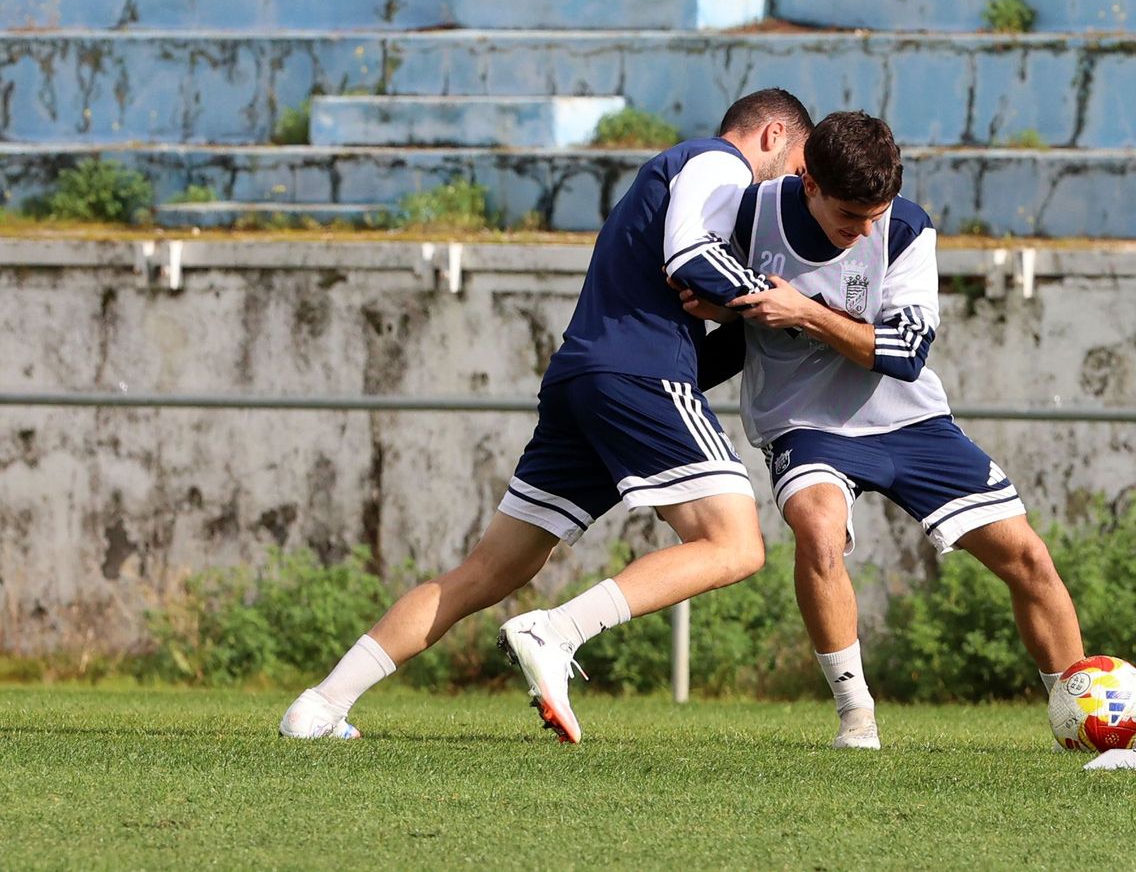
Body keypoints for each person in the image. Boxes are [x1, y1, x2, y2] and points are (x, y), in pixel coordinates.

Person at [279, 89, 814, 743]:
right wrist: (775, 299)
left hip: (585, 378)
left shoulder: (677, 174)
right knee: (735, 545)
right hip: (637, 373)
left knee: (490, 571)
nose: (797, 185)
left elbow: (689, 284)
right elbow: (688, 258)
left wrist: (738, 309)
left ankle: (320, 705)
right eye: (800, 166)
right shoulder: (715, 163)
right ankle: (554, 631)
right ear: (775, 134)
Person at [688, 111, 1086, 750]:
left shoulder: (906, 227)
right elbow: (697, 290)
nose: (865, 231)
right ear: (809, 182)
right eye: (852, 216)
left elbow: (904, 351)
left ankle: (1087, 717)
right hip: (804, 421)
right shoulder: (748, 214)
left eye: (876, 214)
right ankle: (857, 717)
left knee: (1028, 556)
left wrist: (801, 310)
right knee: (817, 532)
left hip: (909, 417)